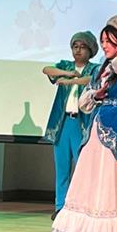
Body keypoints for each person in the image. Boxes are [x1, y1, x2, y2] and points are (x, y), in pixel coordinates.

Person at [33, 12, 117, 232]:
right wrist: (95, 94)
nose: (104, 46)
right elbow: (85, 103)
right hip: (94, 133)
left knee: (107, 191)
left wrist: (116, 60)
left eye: (108, 41)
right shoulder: (99, 69)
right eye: (103, 41)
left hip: (115, 136)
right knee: (83, 188)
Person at [41, 31, 99, 220]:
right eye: (75, 46)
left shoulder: (94, 68)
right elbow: (47, 70)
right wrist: (68, 73)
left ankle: (82, 205)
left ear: (90, 50)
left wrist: (71, 81)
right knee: (62, 167)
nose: (78, 50)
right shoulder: (65, 66)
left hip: (81, 124)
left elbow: (91, 80)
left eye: (82, 47)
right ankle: (60, 207)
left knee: (83, 168)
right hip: (63, 123)